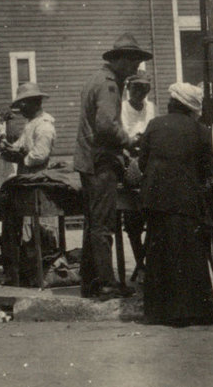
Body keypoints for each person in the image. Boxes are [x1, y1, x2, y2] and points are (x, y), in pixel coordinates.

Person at [75, 32, 152, 300]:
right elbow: (106, 125)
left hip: (91, 161)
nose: (135, 69)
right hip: (101, 163)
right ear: (119, 60)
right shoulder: (109, 85)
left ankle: (91, 281)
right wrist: (129, 142)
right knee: (103, 224)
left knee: (94, 223)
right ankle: (106, 283)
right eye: (132, 62)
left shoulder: (99, 80)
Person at [137, 81, 213, 327]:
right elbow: (207, 170)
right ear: (190, 107)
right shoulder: (201, 131)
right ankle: (195, 311)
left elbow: (141, 163)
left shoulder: (153, 125)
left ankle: (159, 312)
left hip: (156, 199)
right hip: (186, 201)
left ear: (172, 104)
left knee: (160, 253)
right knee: (189, 254)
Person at [0, 82, 56, 284]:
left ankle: (37, 269)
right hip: (26, 178)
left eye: (23, 104)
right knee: (15, 222)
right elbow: (21, 145)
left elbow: (39, 155)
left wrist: (22, 156)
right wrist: (10, 148)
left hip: (37, 179)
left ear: (34, 103)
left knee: (37, 228)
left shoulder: (44, 125)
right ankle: (18, 269)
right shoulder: (30, 123)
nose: (20, 109)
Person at [120, 70, 157, 280]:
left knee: (153, 216)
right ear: (129, 89)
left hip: (149, 161)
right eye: (136, 88)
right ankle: (141, 263)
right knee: (132, 220)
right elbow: (120, 137)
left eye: (144, 88)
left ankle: (149, 261)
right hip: (129, 161)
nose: (140, 92)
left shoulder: (151, 108)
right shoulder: (122, 109)